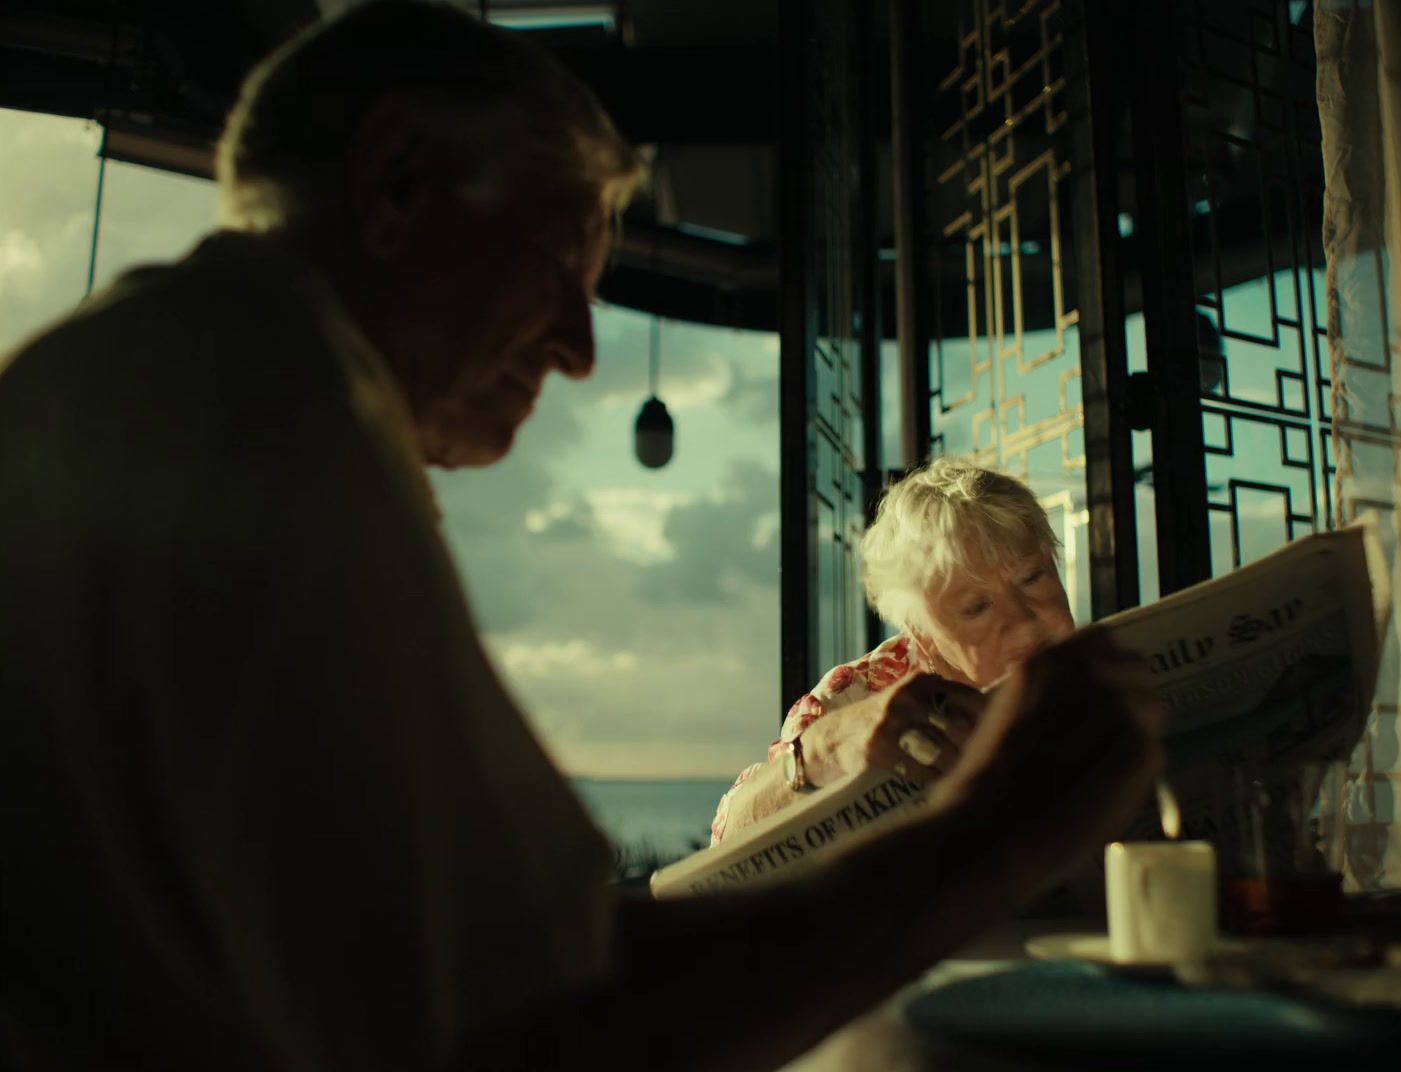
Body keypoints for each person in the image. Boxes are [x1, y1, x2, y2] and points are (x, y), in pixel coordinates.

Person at [0, 4, 1161, 1070]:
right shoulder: (274, 427)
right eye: (562, 263)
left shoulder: (111, 386)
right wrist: (990, 837)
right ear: (395, 180)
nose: (579, 349)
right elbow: (529, 1031)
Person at [712, 459, 1076, 844]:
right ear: (924, 634)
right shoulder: (859, 699)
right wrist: (822, 751)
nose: (1021, 619)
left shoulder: (1117, 660)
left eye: (1033, 577)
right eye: (976, 607)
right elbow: (724, 855)